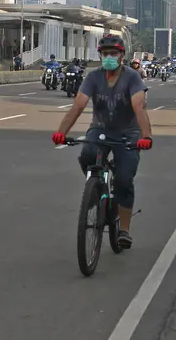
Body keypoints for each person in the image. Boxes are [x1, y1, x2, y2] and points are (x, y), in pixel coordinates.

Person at [51, 34, 153, 249]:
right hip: (100, 129)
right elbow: (78, 106)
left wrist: (146, 136)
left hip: (129, 133)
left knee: (124, 180)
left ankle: (124, 228)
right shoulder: (93, 77)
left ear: (122, 55)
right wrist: (61, 132)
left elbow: (139, 108)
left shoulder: (132, 77)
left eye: (113, 54)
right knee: (87, 156)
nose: (108, 57)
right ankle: (96, 189)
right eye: (105, 54)